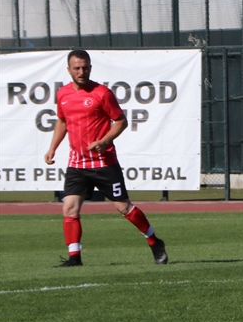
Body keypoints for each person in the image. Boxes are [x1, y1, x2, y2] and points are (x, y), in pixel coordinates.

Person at [44, 50, 168, 267]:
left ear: (90, 68)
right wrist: (52, 148)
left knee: (123, 207)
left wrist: (104, 141)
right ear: (69, 70)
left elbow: (121, 121)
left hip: (104, 163)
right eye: (77, 68)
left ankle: (154, 241)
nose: (81, 72)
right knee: (69, 208)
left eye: (85, 68)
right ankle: (74, 257)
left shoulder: (102, 93)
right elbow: (62, 121)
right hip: (77, 164)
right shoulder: (63, 94)